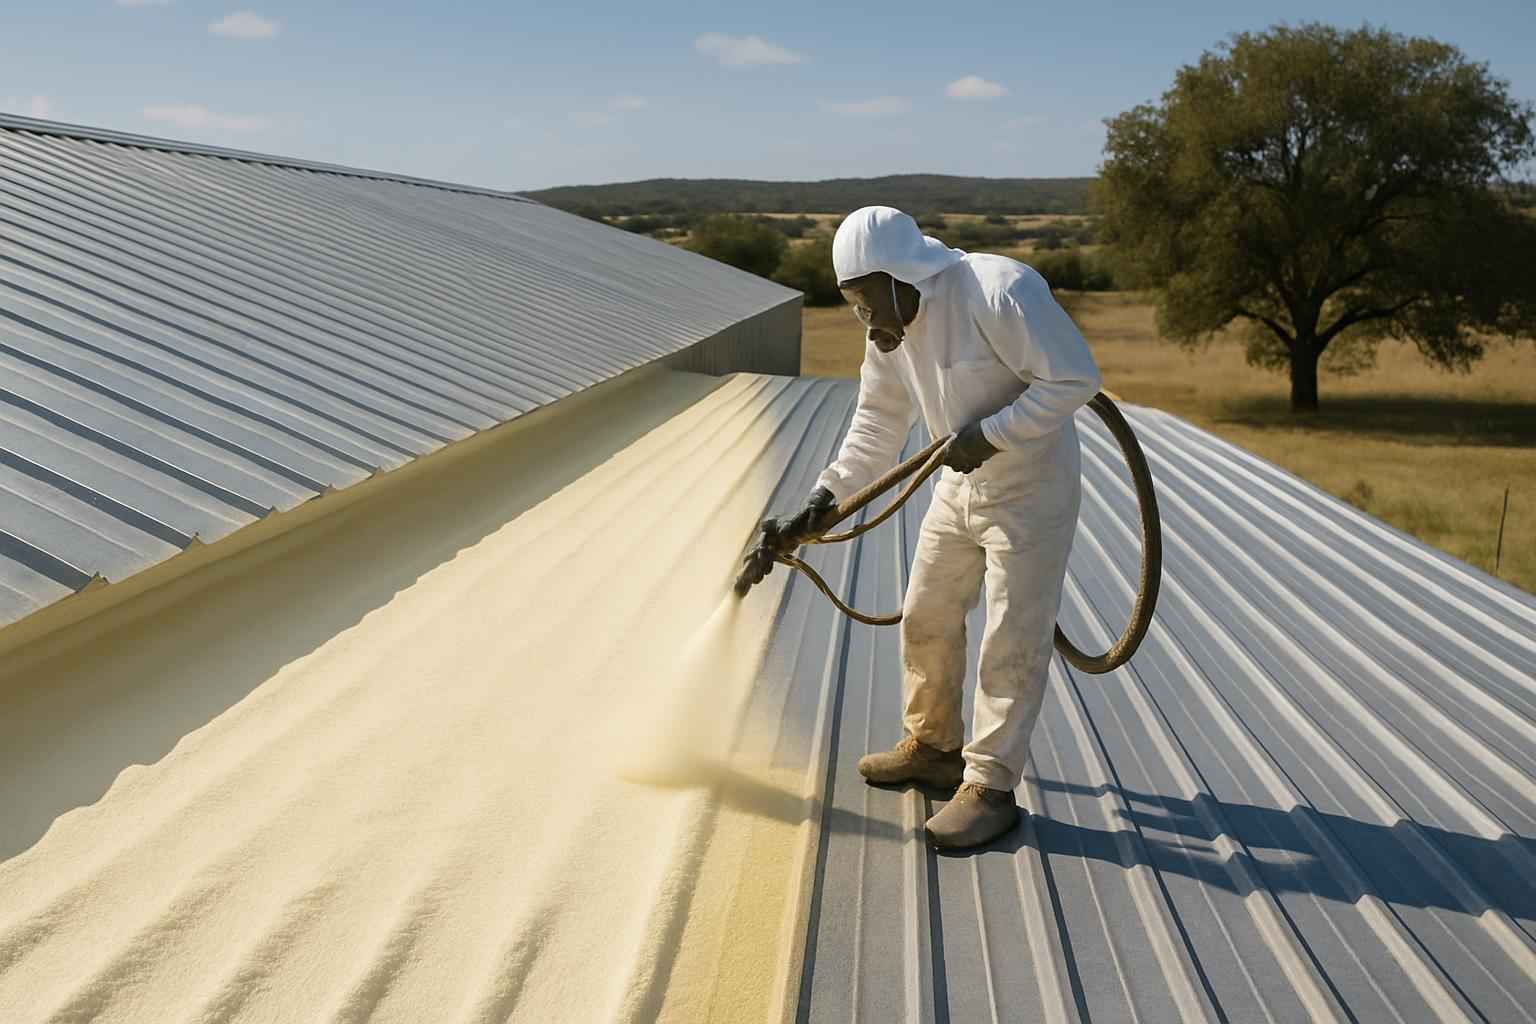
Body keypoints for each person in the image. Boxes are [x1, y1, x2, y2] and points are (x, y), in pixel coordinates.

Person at [768, 206, 1102, 849]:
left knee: (1011, 637)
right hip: (959, 484)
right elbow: (876, 424)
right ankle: (935, 746)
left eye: (868, 301)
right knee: (925, 612)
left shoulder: (998, 290)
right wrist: (825, 494)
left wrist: (993, 433)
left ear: (901, 276)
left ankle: (990, 786)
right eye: (852, 305)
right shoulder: (888, 333)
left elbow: (1076, 378)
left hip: (1029, 490)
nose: (864, 319)